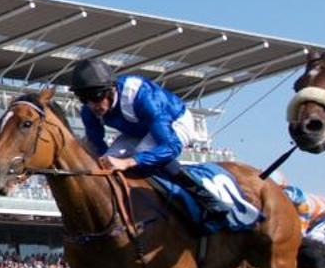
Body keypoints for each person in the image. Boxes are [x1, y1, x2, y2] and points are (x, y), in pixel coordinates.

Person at [64, 58, 233, 224]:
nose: (92, 104)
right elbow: (97, 144)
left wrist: (129, 162)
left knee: (140, 155)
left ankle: (207, 198)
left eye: (95, 96)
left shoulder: (142, 96)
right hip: (137, 130)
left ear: (111, 89)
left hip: (175, 122)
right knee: (106, 162)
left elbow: (170, 147)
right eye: (84, 98)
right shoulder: (89, 111)